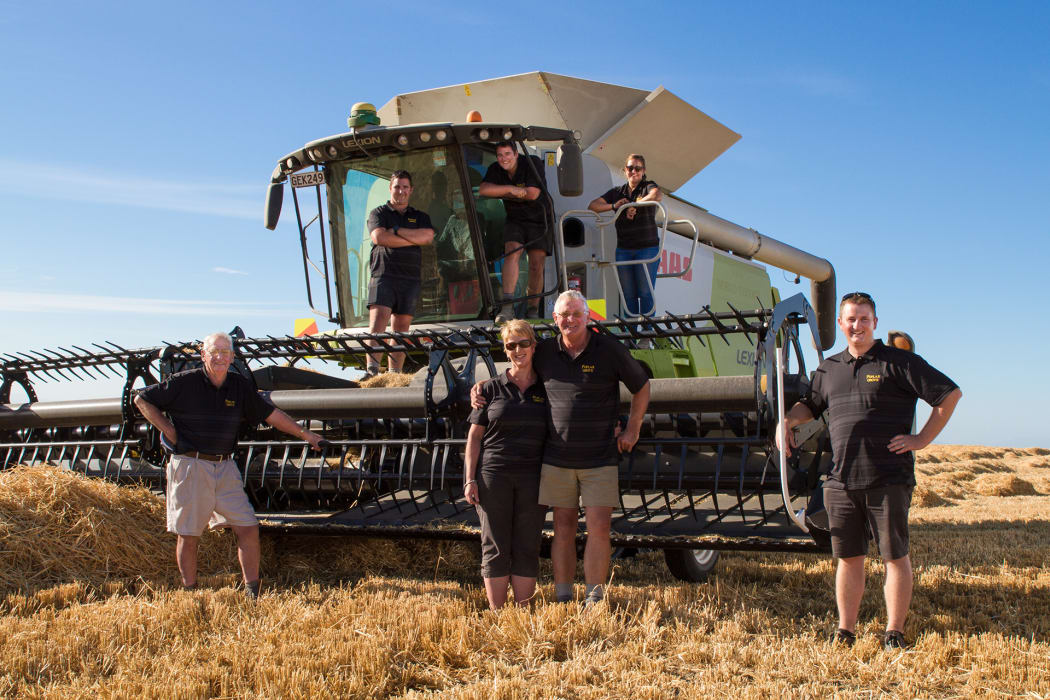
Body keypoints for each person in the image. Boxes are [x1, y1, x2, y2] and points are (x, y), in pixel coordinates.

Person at [777, 292, 961, 649]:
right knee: (848, 559)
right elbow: (811, 405)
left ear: (874, 322)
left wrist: (921, 439)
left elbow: (948, 395)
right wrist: (787, 421)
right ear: (841, 324)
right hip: (841, 480)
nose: (857, 325)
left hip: (888, 478)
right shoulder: (830, 369)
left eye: (864, 319)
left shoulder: (900, 362)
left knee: (894, 556)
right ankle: (845, 631)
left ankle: (894, 632)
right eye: (850, 319)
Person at [473, 290, 650, 605]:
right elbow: (517, 368)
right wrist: (481, 388)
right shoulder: (544, 353)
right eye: (563, 315)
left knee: (598, 527)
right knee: (564, 528)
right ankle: (564, 596)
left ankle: (594, 598)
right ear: (554, 320)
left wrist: (633, 428)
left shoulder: (609, 350)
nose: (569, 320)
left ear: (587, 316)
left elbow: (641, 386)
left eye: (575, 314)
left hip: (600, 458)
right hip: (556, 458)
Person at [134, 332, 326, 598]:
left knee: (248, 527)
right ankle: (190, 592)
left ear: (233, 357)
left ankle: (252, 591)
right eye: (215, 352)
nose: (221, 357)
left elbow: (270, 414)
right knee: (189, 535)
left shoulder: (238, 386)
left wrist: (306, 435)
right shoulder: (184, 383)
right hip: (191, 465)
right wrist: (168, 429)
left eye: (226, 352)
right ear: (203, 355)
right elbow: (142, 399)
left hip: (225, 467)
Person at [463, 320, 548, 608]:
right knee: (495, 543)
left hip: (534, 477)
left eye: (524, 343)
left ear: (534, 346)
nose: (518, 350)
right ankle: (499, 614)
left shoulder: (548, 387)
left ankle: (522, 613)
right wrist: (469, 479)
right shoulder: (489, 389)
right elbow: (474, 437)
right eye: (511, 345)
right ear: (505, 350)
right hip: (494, 476)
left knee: (527, 544)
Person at [365, 170, 435, 375]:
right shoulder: (378, 213)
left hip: (410, 278)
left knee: (401, 329)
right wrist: (412, 239)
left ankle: (395, 374)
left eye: (405, 187)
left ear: (411, 190)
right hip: (383, 276)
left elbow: (427, 237)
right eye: (397, 186)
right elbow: (379, 238)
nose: (401, 191)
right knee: (378, 323)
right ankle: (372, 371)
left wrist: (395, 231)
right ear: (390, 188)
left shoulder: (420, 216)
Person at [479, 141, 549, 321]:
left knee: (536, 264)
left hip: (539, 218)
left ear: (516, 154)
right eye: (500, 155)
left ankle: (532, 309)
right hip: (515, 218)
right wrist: (511, 189)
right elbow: (484, 190)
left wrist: (500, 192)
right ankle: (507, 308)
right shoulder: (496, 168)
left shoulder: (532, 163)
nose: (504, 159)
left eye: (508, 154)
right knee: (511, 251)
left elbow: (532, 194)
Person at [588, 154, 663, 317]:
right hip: (624, 249)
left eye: (637, 168)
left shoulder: (647, 186)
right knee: (627, 295)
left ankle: (647, 333)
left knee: (645, 293)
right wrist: (614, 206)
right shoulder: (617, 192)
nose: (633, 171)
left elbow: (657, 195)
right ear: (625, 171)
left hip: (647, 248)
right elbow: (593, 205)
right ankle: (630, 335)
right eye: (630, 168)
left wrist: (634, 205)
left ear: (644, 171)